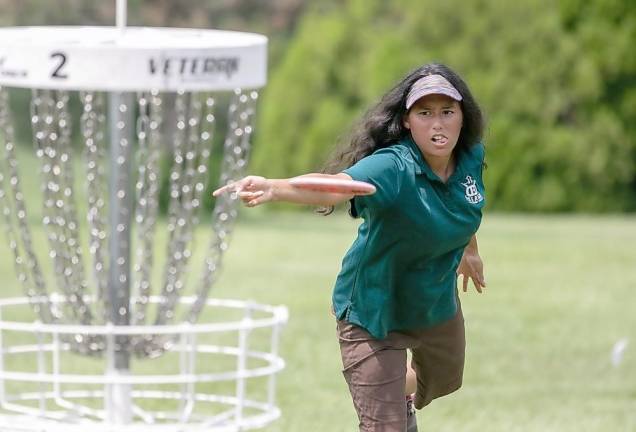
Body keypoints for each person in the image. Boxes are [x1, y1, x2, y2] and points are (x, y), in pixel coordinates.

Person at [214, 62, 487, 432]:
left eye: (446, 112)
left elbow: (462, 204)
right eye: (424, 113)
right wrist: (275, 187)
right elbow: (334, 185)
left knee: (445, 379)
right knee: (385, 426)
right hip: (373, 311)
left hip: (432, 304)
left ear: (461, 115)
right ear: (407, 121)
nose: (437, 123)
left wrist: (469, 249)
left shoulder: (469, 157)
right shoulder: (392, 167)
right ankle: (381, 398)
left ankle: (390, 393)